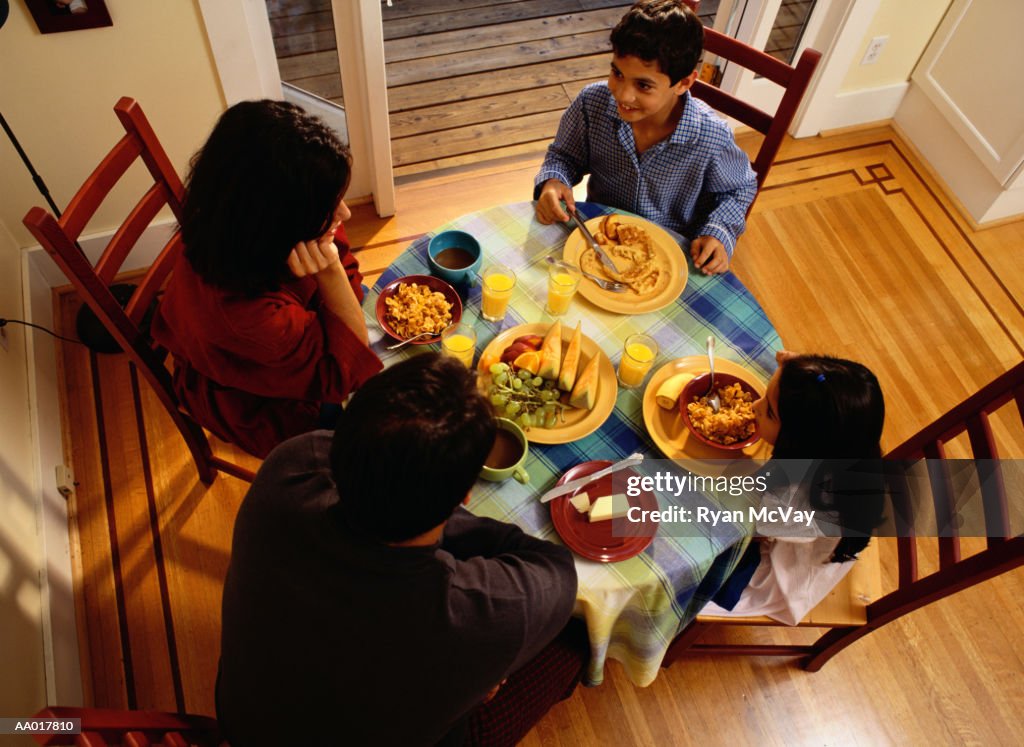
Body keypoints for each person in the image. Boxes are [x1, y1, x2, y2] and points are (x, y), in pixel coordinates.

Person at [216, 353, 584, 746]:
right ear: (463, 496)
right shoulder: (475, 612)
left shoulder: (291, 466)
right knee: (577, 638)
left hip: (244, 723)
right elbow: (557, 569)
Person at [151, 100, 381, 458]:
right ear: (277, 222)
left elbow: (347, 263)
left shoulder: (231, 218)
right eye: (328, 208)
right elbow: (344, 374)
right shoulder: (251, 317)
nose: (346, 213)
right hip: (263, 405)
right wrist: (330, 271)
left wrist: (335, 269)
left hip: (283, 345)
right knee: (381, 435)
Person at [534, 0, 757, 276]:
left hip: (671, 258)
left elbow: (739, 189)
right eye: (617, 73)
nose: (623, 95)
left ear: (684, 83)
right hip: (598, 239)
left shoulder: (712, 137)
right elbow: (564, 156)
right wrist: (554, 181)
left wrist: (719, 231)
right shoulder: (591, 104)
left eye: (643, 85)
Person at [702, 350, 887, 625]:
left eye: (769, 412)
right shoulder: (844, 442)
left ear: (798, 443)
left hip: (781, 572)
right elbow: (829, 389)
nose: (753, 406)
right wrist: (796, 368)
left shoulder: (801, 505)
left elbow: (743, 530)